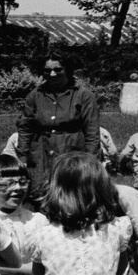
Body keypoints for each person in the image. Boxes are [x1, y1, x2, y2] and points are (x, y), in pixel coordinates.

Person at [16, 54, 100, 192]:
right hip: (41, 154)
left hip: (71, 153)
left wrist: (90, 161)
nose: (52, 74)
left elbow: (92, 132)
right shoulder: (35, 95)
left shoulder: (83, 95)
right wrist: (23, 158)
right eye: (47, 70)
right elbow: (25, 128)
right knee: (40, 192)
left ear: (67, 70)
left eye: (58, 69)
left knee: (70, 192)